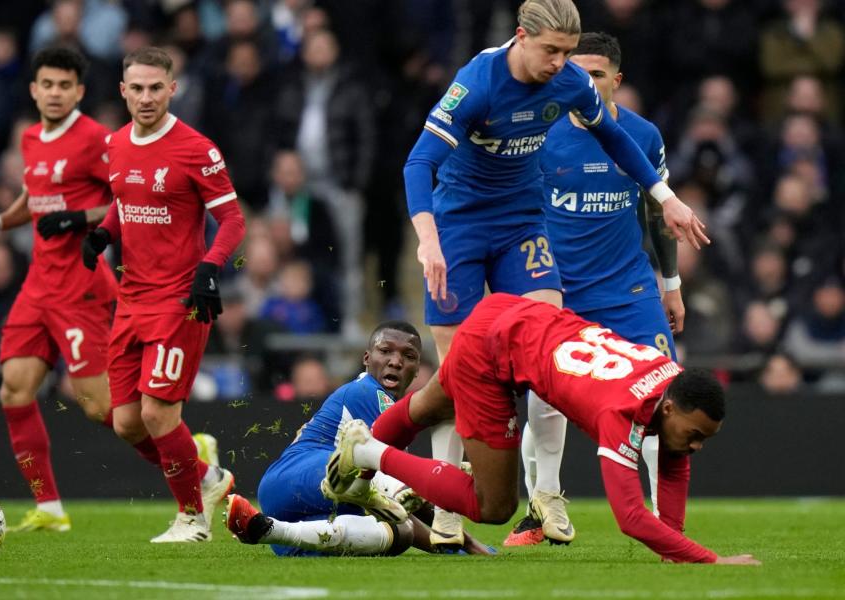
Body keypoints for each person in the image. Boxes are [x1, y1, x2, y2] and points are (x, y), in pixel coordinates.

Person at [402, 0, 708, 548]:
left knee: (550, 355)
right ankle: (444, 507)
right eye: (552, 52)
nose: (561, 64)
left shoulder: (567, 82)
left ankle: (545, 495)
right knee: (455, 377)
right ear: (520, 38)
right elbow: (418, 162)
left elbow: (617, 138)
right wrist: (428, 241)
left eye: (569, 53)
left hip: (523, 222)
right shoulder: (476, 84)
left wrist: (666, 198)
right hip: (459, 226)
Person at [326, 294, 761, 565]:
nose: (698, 446)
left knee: (422, 407)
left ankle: (359, 471)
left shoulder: (671, 378)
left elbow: (675, 458)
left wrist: (676, 548)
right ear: (668, 407)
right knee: (493, 505)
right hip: (494, 351)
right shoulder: (622, 413)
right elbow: (630, 519)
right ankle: (367, 454)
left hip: (509, 312)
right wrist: (708, 560)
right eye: (697, 434)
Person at [506, 32, 683, 546]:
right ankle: (546, 507)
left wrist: (670, 285)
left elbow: (658, 210)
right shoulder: (539, 135)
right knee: (545, 398)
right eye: (575, 74)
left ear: (616, 81)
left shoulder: (642, 135)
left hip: (628, 289)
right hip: (557, 288)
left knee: (661, 397)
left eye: (597, 74)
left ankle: (666, 525)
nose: (585, 83)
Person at [80, 46, 246, 542]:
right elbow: (126, 202)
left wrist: (211, 268)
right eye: (138, 88)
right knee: (127, 423)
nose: (147, 97)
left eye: (157, 88)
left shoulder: (197, 148)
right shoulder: (115, 145)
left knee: (157, 413)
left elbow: (233, 220)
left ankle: (192, 520)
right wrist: (105, 234)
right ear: (123, 91)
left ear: (173, 89)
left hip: (180, 300)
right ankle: (209, 478)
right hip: (131, 300)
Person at [0, 47, 118, 533]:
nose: (54, 93)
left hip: (81, 284)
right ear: (34, 90)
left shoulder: (96, 138)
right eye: (46, 84)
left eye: (64, 85)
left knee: (100, 407)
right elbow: (36, 195)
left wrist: (80, 218)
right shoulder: (31, 138)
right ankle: (50, 509)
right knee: (14, 389)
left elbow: (128, 195)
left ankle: (195, 460)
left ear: (79, 91)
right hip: (39, 285)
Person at [225, 321, 491, 556]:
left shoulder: (389, 407)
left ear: (417, 368)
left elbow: (405, 507)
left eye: (408, 356)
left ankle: (267, 529)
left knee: (401, 533)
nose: (396, 361)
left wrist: (448, 545)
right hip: (302, 474)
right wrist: (462, 543)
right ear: (367, 358)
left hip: (302, 508)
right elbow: (405, 492)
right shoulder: (369, 392)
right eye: (385, 351)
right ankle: (272, 526)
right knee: (395, 486)